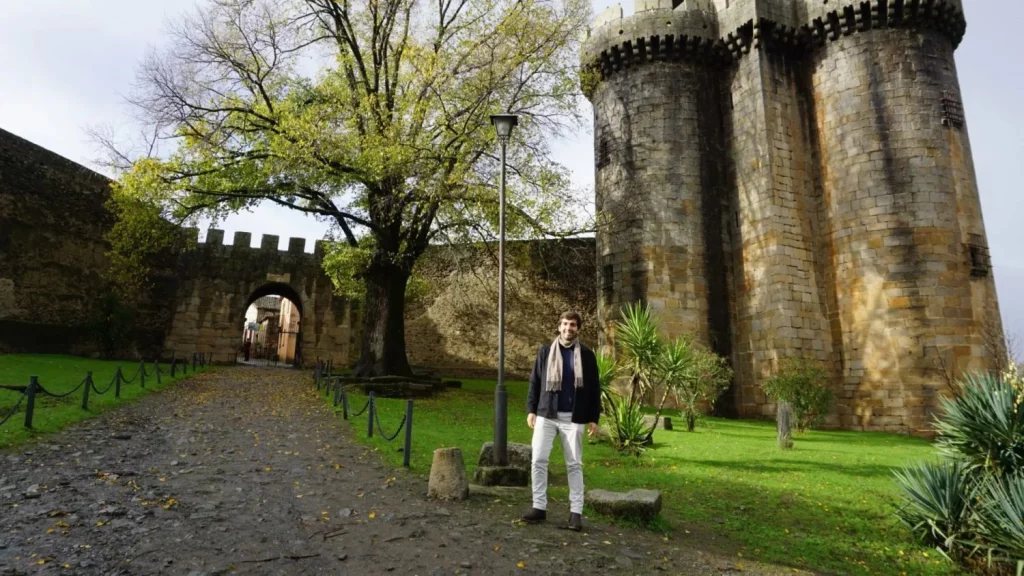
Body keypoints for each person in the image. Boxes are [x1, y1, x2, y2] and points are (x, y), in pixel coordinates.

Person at [521, 311, 601, 532]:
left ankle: (576, 513)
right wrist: (531, 409)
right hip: (546, 414)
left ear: (578, 329)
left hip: (574, 417)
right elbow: (534, 382)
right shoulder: (546, 351)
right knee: (538, 460)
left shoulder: (586, 355)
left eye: (573, 325)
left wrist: (594, 417)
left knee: (574, 465)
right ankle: (539, 507)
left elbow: (594, 388)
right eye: (565, 324)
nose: (568, 328)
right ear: (559, 327)